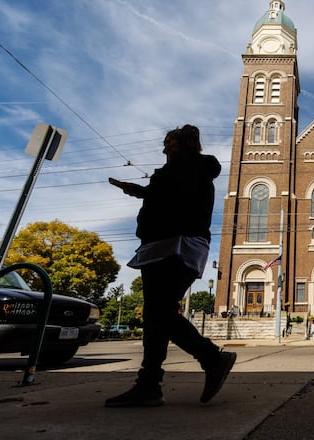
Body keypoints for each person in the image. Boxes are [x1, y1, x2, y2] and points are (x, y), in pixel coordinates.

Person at [106, 124, 235, 407]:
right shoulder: (185, 170)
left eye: (169, 143)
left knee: (159, 313)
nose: (164, 149)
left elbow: (176, 200)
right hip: (164, 245)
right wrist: (140, 191)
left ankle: (211, 358)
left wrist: (146, 192)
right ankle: (149, 384)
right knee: (156, 315)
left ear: (184, 145)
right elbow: (170, 197)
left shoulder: (191, 167)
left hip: (175, 245)